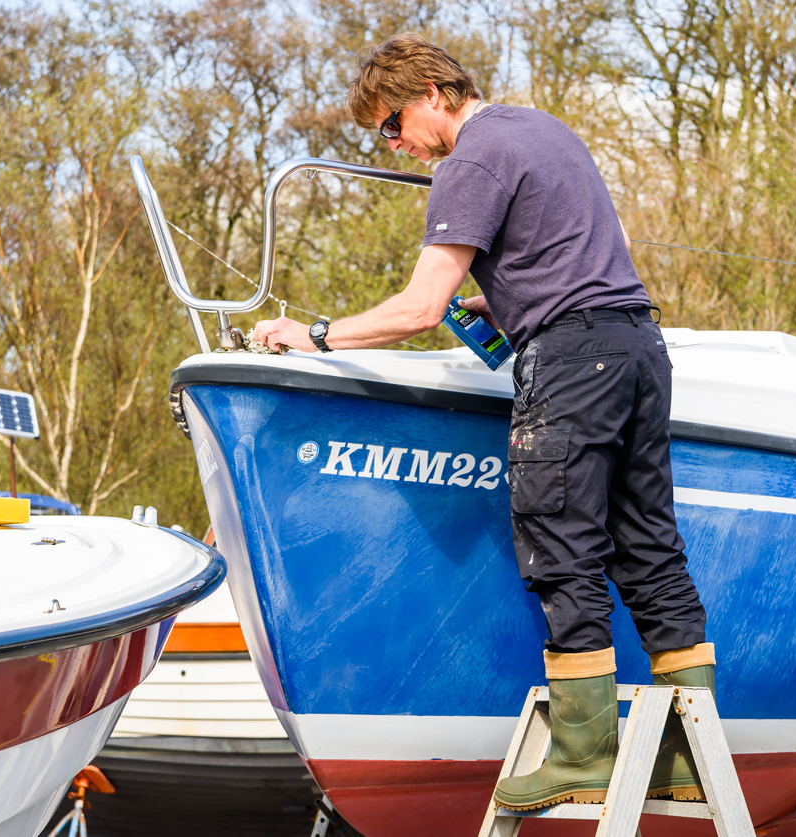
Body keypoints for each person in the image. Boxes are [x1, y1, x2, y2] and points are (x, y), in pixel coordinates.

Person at [249, 33, 713, 811]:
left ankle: (584, 753)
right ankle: (689, 754)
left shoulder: (470, 161)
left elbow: (418, 307)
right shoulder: (545, 130)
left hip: (570, 363)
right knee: (648, 546)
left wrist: (314, 335)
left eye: (393, 122)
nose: (394, 142)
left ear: (432, 92)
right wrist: (505, 297)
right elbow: (594, 254)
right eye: (382, 136)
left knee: (560, 540)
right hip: (637, 346)